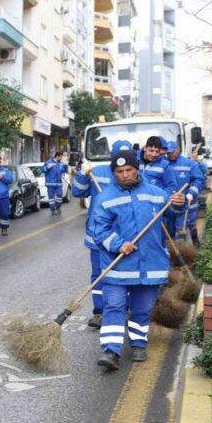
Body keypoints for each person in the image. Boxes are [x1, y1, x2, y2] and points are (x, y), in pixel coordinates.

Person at [91, 150, 185, 370]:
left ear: (137, 169)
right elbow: (99, 230)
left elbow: (173, 213)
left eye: (129, 170)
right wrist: (118, 244)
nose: (124, 175)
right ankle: (111, 350)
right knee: (113, 306)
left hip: (150, 266)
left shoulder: (156, 193)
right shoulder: (105, 199)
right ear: (114, 173)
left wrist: (178, 204)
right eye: (119, 171)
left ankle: (138, 345)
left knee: (142, 309)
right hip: (118, 267)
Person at [71, 140, 133, 328]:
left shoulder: (133, 175)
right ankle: (99, 312)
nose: (122, 165)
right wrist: (82, 175)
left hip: (124, 237)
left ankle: (125, 309)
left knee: (126, 274)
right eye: (117, 158)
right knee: (99, 275)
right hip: (98, 237)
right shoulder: (97, 173)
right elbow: (77, 192)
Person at [167, 140, 204, 245]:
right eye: (168, 153)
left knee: (191, 224)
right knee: (178, 228)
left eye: (172, 152)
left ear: (178, 150)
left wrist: (190, 194)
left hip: (189, 202)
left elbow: (199, 180)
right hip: (172, 204)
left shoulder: (189, 164)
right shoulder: (165, 164)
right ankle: (180, 251)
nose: (169, 155)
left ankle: (195, 240)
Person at [42, 151, 69, 216]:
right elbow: (42, 170)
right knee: (51, 197)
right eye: (61, 157)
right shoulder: (49, 162)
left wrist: (65, 165)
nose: (62, 158)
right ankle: (52, 209)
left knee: (59, 196)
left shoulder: (61, 164)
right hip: (50, 183)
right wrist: (47, 167)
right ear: (58, 156)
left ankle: (58, 207)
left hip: (58, 183)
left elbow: (64, 171)